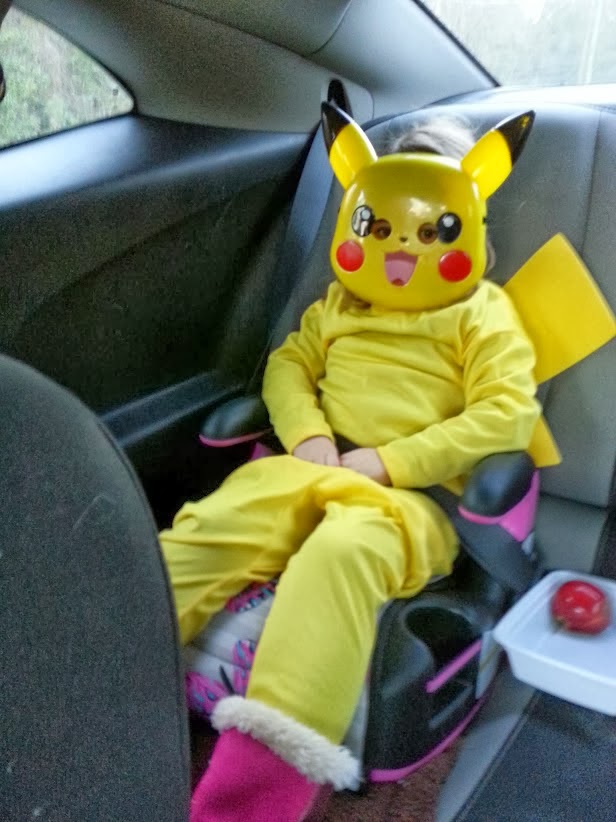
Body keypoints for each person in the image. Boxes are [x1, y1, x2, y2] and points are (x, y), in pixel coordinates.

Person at [160, 102, 540, 822]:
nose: (402, 250)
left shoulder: (480, 312)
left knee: (341, 555)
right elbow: (287, 367)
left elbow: (506, 413)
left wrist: (390, 461)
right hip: (307, 465)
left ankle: (254, 797)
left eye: (431, 231)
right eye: (383, 227)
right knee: (213, 525)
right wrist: (307, 435)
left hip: (410, 501)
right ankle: (89, 673)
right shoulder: (339, 304)